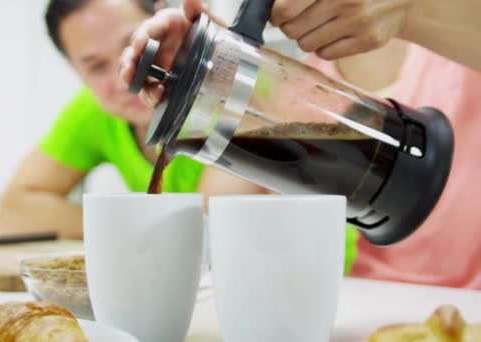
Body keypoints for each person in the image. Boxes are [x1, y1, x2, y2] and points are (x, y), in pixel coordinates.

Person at [120, 0, 481, 288]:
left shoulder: (457, 41)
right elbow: (220, 209)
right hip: (372, 305)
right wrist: (216, 69)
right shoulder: (305, 84)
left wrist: (410, 11)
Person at [0, 1, 267, 242]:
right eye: (96, 66)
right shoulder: (93, 110)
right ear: (76, 72)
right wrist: (126, 226)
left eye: (135, 45)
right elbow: (15, 209)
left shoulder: (237, 93)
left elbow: (217, 226)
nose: (125, 80)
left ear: (163, 20)